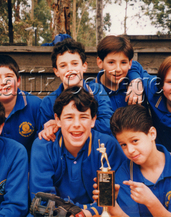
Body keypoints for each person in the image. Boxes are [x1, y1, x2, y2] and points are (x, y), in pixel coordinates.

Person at [30, 87, 126, 216]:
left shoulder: (107, 146)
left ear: (93, 120)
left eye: (84, 117)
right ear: (57, 120)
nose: (76, 124)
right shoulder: (43, 146)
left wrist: (86, 213)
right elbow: (43, 200)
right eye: (69, 117)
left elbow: (114, 198)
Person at [93, 104, 171, 217]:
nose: (130, 150)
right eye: (123, 145)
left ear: (152, 134)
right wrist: (111, 206)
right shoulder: (124, 173)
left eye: (135, 141)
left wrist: (151, 202)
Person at [38, 38, 114, 141]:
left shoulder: (97, 91)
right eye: (63, 65)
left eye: (74, 64)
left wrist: (62, 124)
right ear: (56, 71)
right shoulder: (48, 102)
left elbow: (108, 125)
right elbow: (47, 134)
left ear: (84, 66)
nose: (70, 69)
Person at [0, 54, 42, 158]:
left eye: (9, 76)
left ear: (18, 81)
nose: (3, 82)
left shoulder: (36, 105)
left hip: (27, 169)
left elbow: (42, 146)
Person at [95, 35, 144, 110]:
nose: (118, 69)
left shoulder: (136, 84)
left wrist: (136, 80)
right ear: (100, 62)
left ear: (130, 64)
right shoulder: (90, 92)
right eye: (111, 62)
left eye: (123, 62)